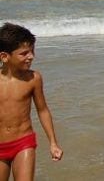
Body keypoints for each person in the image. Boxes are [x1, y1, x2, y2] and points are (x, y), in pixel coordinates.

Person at [0, 23, 63, 181]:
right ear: (4, 56)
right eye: (24, 53)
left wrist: (53, 143)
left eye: (32, 51)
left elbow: (42, 110)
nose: (31, 56)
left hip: (23, 142)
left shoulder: (33, 79)